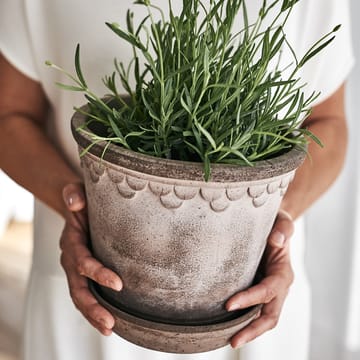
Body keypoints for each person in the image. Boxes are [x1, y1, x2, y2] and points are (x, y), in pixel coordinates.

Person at [0, 0, 354, 359]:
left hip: (250, 282)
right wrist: (73, 202)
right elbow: (9, 114)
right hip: (91, 278)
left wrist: (277, 221)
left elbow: (329, 124)